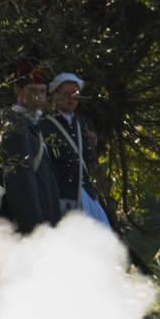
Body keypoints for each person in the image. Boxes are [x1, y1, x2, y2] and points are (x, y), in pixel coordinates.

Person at [0, 59, 62, 234]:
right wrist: (35, 232)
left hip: (45, 218)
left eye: (42, 91)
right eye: (32, 90)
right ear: (18, 90)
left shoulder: (32, 124)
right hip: (30, 228)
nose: (38, 96)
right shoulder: (15, 127)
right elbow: (21, 185)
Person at [42, 72, 112, 227]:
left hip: (87, 192)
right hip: (64, 195)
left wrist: (93, 144)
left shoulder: (84, 122)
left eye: (75, 94)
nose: (71, 98)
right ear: (54, 96)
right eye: (66, 94)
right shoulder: (45, 125)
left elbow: (90, 158)